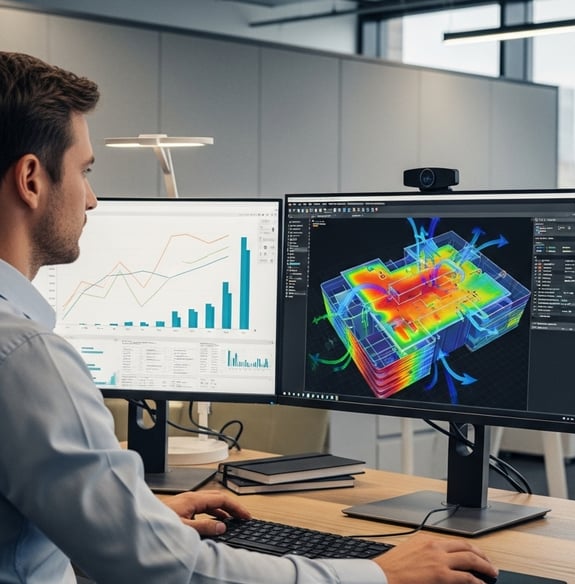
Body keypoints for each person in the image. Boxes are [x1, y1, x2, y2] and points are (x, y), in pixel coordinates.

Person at [0, 51, 499, 584]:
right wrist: (380, 577)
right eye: (85, 171)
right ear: (31, 179)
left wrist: (133, 525)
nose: (93, 199)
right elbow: (168, 571)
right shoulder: (26, 357)